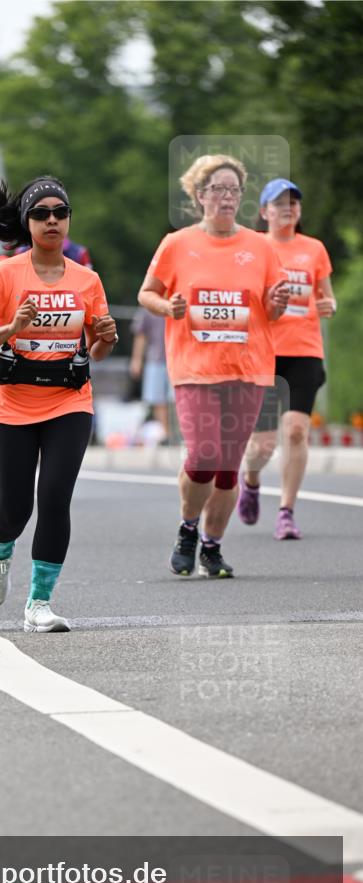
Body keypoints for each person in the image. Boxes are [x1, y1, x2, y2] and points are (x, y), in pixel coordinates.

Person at [0, 175, 118, 632]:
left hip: (69, 402)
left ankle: (39, 604)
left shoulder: (88, 280)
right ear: (27, 223)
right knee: (14, 510)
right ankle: (0, 549)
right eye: (41, 214)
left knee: (54, 498)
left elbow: (96, 350)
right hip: (12, 407)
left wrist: (106, 338)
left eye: (60, 213)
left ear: (69, 220)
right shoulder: (7, 274)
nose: (52, 221)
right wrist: (9, 328)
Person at [138, 154, 289, 578]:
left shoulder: (260, 246)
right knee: (204, 454)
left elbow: (272, 310)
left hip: (249, 368)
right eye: (218, 189)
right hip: (194, 368)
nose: (227, 197)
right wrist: (169, 306)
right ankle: (188, 527)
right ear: (200, 195)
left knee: (227, 467)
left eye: (234, 190)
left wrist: (276, 305)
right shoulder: (177, 243)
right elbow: (146, 293)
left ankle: (212, 545)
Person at [238, 179, 336, 539]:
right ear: (264, 211)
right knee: (262, 444)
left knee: (296, 431)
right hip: (263, 352)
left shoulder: (314, 249)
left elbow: (327, 297)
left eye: (293, 202)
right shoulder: (252, 247)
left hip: (305, 350)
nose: (287, 208)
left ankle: (286, 511)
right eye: (278, 203)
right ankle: (250, 481)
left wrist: (330, 305)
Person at [129, 305, 171, 440]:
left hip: (177, 359)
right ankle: (165, 434)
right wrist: (136, 360)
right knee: (158, 399)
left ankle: (178, 434)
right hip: (155, 358)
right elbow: (141, 335)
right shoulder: (147, 307)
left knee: (176, 399)